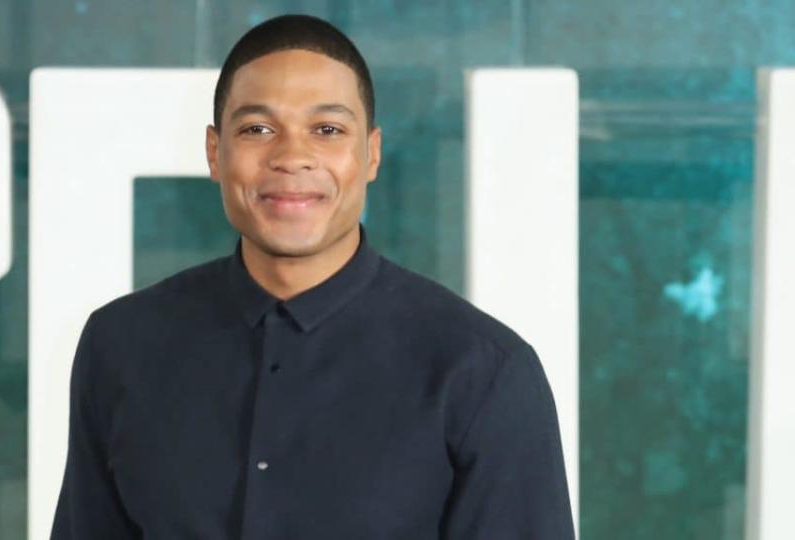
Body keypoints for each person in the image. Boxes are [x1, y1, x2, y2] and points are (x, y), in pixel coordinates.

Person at [50, 13, 574, 540]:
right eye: (258, 129)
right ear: (215, 153)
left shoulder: (481, 370)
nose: (292, 157)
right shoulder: (120, 345)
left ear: (370, 154)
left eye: (327, 130)